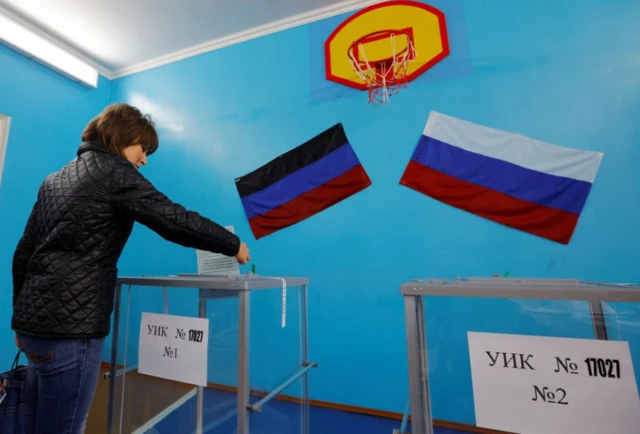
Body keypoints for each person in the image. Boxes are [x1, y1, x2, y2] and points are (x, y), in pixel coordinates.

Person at [10, 103, 250, 434]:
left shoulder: (54, 179)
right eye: (143, 148)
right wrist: (232, 244)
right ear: (125, 137)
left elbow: (23, 253)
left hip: (33, 329)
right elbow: (174, 220)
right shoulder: (115, 173)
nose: (145, 159)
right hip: (71, 332)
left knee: (34, 424)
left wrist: (20, 321)